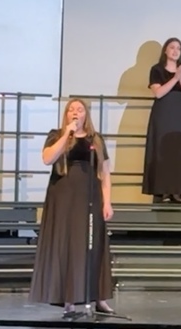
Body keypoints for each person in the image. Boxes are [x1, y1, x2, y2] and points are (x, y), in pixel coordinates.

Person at [29, 99, 116, 316]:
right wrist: (67, 134)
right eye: (71, 110)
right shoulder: (56, 135)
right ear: (66, 114)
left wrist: (107, 201)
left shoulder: (95, 139)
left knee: (92, 244)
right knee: (66, 245)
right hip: (63, 197)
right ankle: (67, 298)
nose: (75, 113)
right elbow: (47, 159)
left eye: (80, 109)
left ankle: (99, 297)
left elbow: (105, 172)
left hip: (89, 196)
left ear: (86, 114)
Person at [142, 37, 181, 202]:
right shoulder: (157, 69)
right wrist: (174, 79)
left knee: (178, 151)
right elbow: (158, 93)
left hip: (179, 114)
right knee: (162, 149)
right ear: (165, 50)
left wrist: (180, 78)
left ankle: (178, 190)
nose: (175, 51)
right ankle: (163, 190)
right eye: (172, 47)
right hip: (163, 114)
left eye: (178, 48)